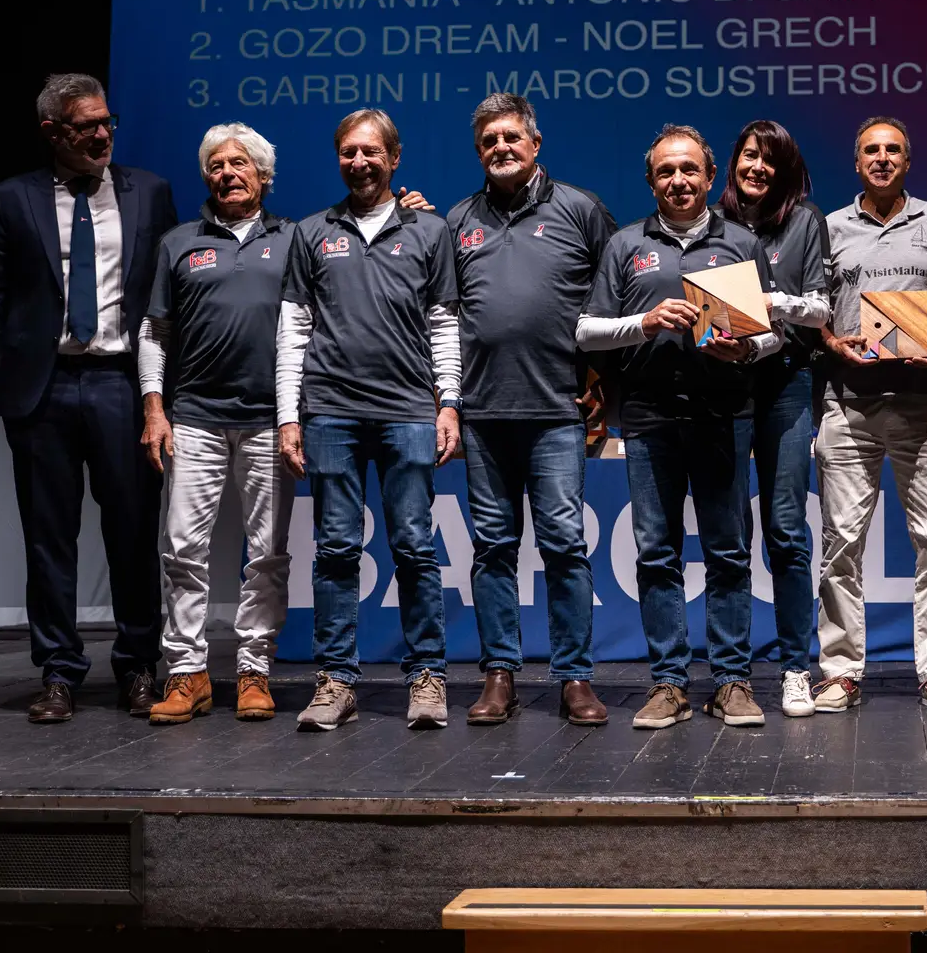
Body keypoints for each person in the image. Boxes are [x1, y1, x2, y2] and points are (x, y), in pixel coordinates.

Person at [0, 73, 177, 724]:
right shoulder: (13, 199)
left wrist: (166, 395)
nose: (103, 135)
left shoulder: (149, 192)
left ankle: (139, 665)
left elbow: (170, 297)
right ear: (52, 131)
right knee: (48, 537)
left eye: (108, 122)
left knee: (132, 533)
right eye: (87, 127)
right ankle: (58, 670)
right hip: (42, 388)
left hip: (120, 384)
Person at [578, 125, 780, 730]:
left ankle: (732, 681)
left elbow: (772, 334)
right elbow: (587, 331)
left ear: (710, 176)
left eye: (689, 169)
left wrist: (746, 350)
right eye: (666, 171)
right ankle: (668, 683)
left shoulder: (741, 242)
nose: (679, 180)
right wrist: (644, 322)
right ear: (651, 182)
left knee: (728, 552)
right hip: (649, 418)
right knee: (656, 553)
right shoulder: (625, 245)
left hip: (723, 416)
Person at [278, 109, 462, 732]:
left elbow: (444, 323)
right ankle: (336, 680)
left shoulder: (430, 231)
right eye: (348, 152)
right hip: (330, 412)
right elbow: (293, 330)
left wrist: (448, 402)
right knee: (334, 550)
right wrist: (288, 416)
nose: (359, 162)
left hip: (408, 411)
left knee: (414, 547)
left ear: (394, 157)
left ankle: (427, 676)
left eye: (370, 152)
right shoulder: (312, 231)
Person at [446, 94, 616, 727]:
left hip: (556, 412)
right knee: (492, 548)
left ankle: (574, 677)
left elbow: (615, 298)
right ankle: (499, 675)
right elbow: (443, 315)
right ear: (478, 152)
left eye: (511, 136)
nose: (501, 147)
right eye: (489, 140)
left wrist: (603, 381)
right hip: (483, 414)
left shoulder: (580, 209)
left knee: (565, 545)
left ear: (535, 143)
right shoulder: (457, 220)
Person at [814, 117, 927, 714]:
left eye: (893, 151)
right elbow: (815, 312)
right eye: (871, 151)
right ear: (857, 162)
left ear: (908, 161)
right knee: (840, 544)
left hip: (924, 402)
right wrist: (833, 342)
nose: (882, 159)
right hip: (849, 403)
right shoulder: (830, 228)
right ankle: (840, 672)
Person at [138, 123, 294, 724]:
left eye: (239, 163)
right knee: (182, 550)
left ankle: (254, 671)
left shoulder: (294, 239)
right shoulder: (179, 242)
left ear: (263, 175)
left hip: (269, 421)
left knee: (268, 554)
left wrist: (409, 212)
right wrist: (155, 409)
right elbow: (155, 331)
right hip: (195, 418)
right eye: (216, 165)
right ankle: (187, 674)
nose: (227, 173)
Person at [717, 120, 830, 719]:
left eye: (769, 159)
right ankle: (731, 675)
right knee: (730, 534)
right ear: (733, 163)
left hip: (787, 384)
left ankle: (794, 669)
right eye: (748, 156)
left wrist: (772, 304)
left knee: (786, 531)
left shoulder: (805, 222)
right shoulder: (713, 225)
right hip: (726, 387)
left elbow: (822, 309)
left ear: (784, 170)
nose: (756, 167)